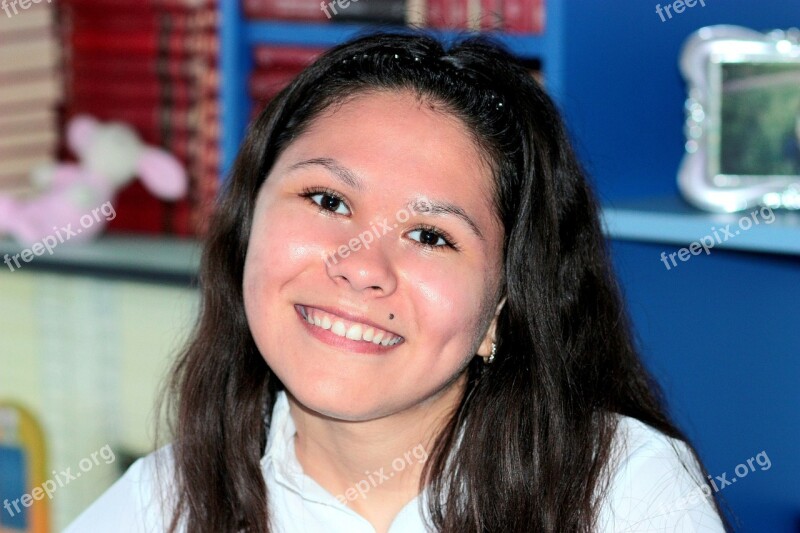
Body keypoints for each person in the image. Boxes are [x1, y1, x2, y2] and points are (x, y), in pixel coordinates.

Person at [64, 31, 730, 533]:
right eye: (327, 200)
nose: (361, 265)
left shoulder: (622, 487)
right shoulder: (166, 498)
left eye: (432, 235)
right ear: (246, 227)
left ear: (501, 307)